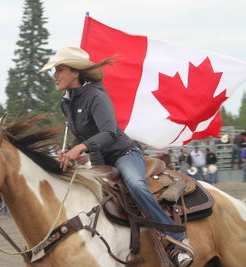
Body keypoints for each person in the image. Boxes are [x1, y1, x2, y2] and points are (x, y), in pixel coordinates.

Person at [41, 46, 193, 266]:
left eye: (60, 69)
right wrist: (69, 152)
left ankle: (177, 240)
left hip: (124, 154)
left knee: (137, 186)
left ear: (75, 72)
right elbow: (83, 135)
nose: (55, 75)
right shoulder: (66, 102)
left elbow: (109, 132)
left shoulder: (95, 96)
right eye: (55, 70)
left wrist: (79, 148)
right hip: (100, 161)